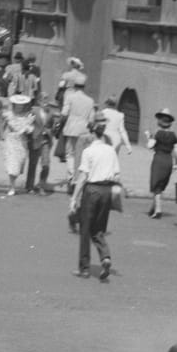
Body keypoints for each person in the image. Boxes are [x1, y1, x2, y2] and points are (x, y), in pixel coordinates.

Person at [69, 113, 120, 281]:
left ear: (92, 133)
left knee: (85, 229)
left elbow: (83, 177)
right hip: (107, 191)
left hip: (92, 191)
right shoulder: (111, 151)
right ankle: (105, 256)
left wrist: (74, 198)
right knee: (98, 229)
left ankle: (84, 268)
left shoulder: (88, 151)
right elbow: (117, 175)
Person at [145, 108, 177, 219]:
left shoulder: (157, 133)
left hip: (159, 159)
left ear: (160, 121)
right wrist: (176, 164)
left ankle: (158, 210)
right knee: (161, 185)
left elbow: (150, 146)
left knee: (156, 185)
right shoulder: (174, 136)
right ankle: (153, 208)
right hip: (168, 160)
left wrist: (148, 137)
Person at [61, 81, 95, 192]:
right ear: (84, 87)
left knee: (70, 154)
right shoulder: (90, 101)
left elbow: (64, 113)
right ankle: (78, 178)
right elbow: (91, 119)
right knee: (80, 155)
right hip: (83, 130)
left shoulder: (70, 97)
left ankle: (71, 176)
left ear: (75, 87)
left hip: (71, 128)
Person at [2, 94, 35, 196]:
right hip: (12, 141)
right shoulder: (9, 114)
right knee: (12, 165)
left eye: (21, 105)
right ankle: (12, 186)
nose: (19, 106)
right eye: (17, 104)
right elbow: (10, 126)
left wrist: (28, 127)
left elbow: (29, 129)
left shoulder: (27, 115)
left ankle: (13, 183)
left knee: (19, 164)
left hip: (22, 142)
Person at [25, 95, 57, 194]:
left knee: (46, 164)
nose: (45, 101)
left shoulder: (51, 113)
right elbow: (28, 123)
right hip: (35, 139)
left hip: (45, 141)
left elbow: (53, 127)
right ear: (39, 101)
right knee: (33, 164)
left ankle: (42, 184)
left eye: (47, 99)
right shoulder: (34, 110)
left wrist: (50, 131)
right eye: (43, 99)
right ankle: (29, 186)